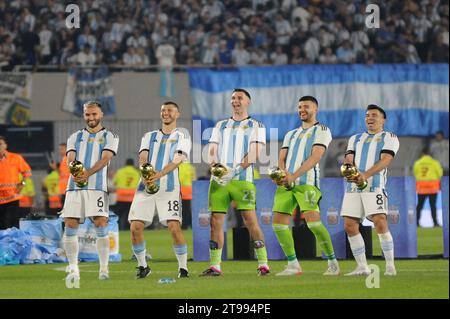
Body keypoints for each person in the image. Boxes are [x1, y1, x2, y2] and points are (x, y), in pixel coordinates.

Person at [201, 88, 270, 277]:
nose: (235, 101)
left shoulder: (257, 125)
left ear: (248, 102)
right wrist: (216, 167)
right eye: (233, 98)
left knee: (250, 221)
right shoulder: (220, 125)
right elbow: (212, 150)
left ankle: (263, 263)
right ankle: (215, 266)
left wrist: (236, 170)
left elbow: (255, 152)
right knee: (215, 222)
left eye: (240, 98)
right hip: (219, 181)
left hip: (242, 181)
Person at [271, 96, 340, 276]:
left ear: (315, 109)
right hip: (287, 184)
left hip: (307, 183)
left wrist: (294, 175)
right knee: (278, 224)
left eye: (306, 107)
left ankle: (333, 263)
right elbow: (281, 158)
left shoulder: (322, 130)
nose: (302, 110)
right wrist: (281, 174)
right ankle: (293, 265)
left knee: (314, 223)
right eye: (300, 107)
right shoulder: (290, 134)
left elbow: (316, 156)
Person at [128, 101, 191, 279]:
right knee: (135, 227)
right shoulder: (149, 136)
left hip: (169, 188)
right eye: (163, 110)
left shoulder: (182, 137)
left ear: (177, 114)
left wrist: (160, 174)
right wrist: (146, 172)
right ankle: (143, 266)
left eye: (170, 110)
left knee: (173, 228)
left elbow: (178, 159)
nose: (166, 113)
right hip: (146, 186)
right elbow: (142, 156)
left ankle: (183, 268)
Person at [60, 101, 119, 281]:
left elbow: (106, 159)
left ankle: (103, 269)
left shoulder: (110, 136)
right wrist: (75, 171)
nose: (91, 118)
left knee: (101, 224)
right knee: (70, 225)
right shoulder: (74, 137)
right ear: (84, 115)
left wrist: (87, 173)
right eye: (87, 114)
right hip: (74, 187)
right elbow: (70, 159)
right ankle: (73, 269)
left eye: (94, 114)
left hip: (97, 187)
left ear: (101, 114)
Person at [341, 104, 399, 276]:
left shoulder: (389, 137)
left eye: (374, 115)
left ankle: (390, 266)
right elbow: (348, 158)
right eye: (367, 115)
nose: (370, 118)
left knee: (380, 221)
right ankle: (362, 267)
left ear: (383, 120)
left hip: (375, 186)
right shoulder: (355, 138)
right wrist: (349, 170)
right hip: (353, 188)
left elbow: (386, 160)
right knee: (350, 225)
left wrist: (365, 174)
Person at [0, 136, 32, 229]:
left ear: (5, 145)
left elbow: (27, 172)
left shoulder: (16, 158)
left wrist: (22, 184)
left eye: (0, 144)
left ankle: (13, 242)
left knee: (12, 224)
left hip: (12, 197)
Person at [413, 148, 443, 227]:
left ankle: (416, 222)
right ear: (429, 154)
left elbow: (415, 173)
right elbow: (440, 173)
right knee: (433, 205)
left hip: (421, 187)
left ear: (422, 154)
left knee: (419, 206)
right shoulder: (435, 163)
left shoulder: (418, 163)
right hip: (432, 187)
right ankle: (435, 223)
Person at [113, 158, 140, 230]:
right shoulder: (136, 172)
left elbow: (114, 182)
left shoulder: (120, 171)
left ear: (125, 163)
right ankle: (129, 229)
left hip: (121, 197)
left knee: (118, 215)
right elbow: (139, 184)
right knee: (130, 215)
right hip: (132, 197)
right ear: (133, 164)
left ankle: (117, 228)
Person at [178, 162, 196, 229]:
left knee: (182, 209)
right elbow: (194, 178)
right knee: (187, 208)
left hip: (181, 189)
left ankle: (184, 225)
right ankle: (190, 224)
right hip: (189, 189)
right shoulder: (190, 167)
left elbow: (180, 178)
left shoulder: (179, 166)